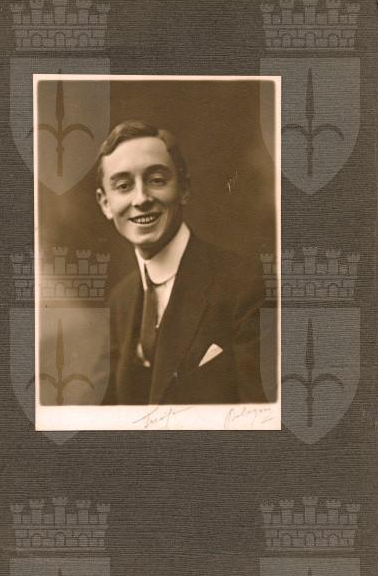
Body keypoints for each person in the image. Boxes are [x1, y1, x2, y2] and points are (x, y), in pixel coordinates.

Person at [96, 120, 270, 405]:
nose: (141, 199)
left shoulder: (244, 283)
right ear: (105, 203)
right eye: (124, 186)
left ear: (184, 189)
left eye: (156, 180)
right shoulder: (121, 300)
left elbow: (262, 415)